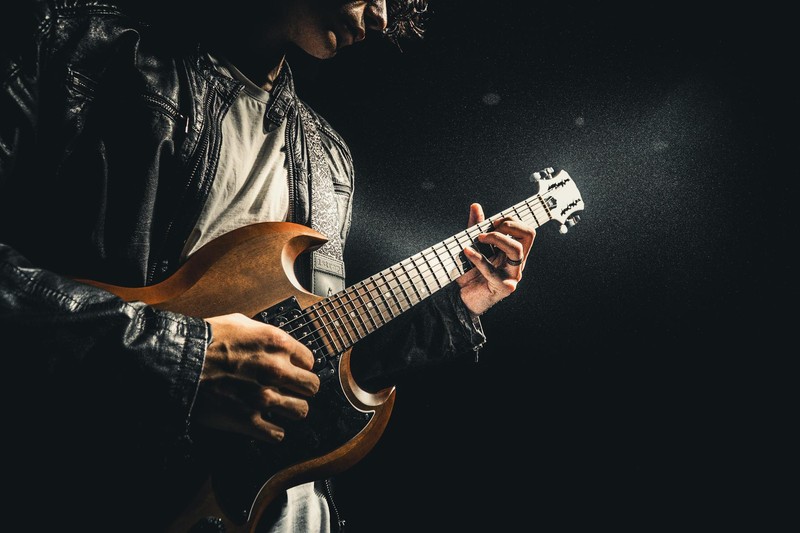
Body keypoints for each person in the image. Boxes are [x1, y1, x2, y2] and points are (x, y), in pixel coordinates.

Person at [0, 1, 536, 531]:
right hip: (58, 478)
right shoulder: (83, 46)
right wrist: (184, 358)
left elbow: (315, 354)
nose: (381, 17)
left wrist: (458, 300)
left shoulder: (328, 160)